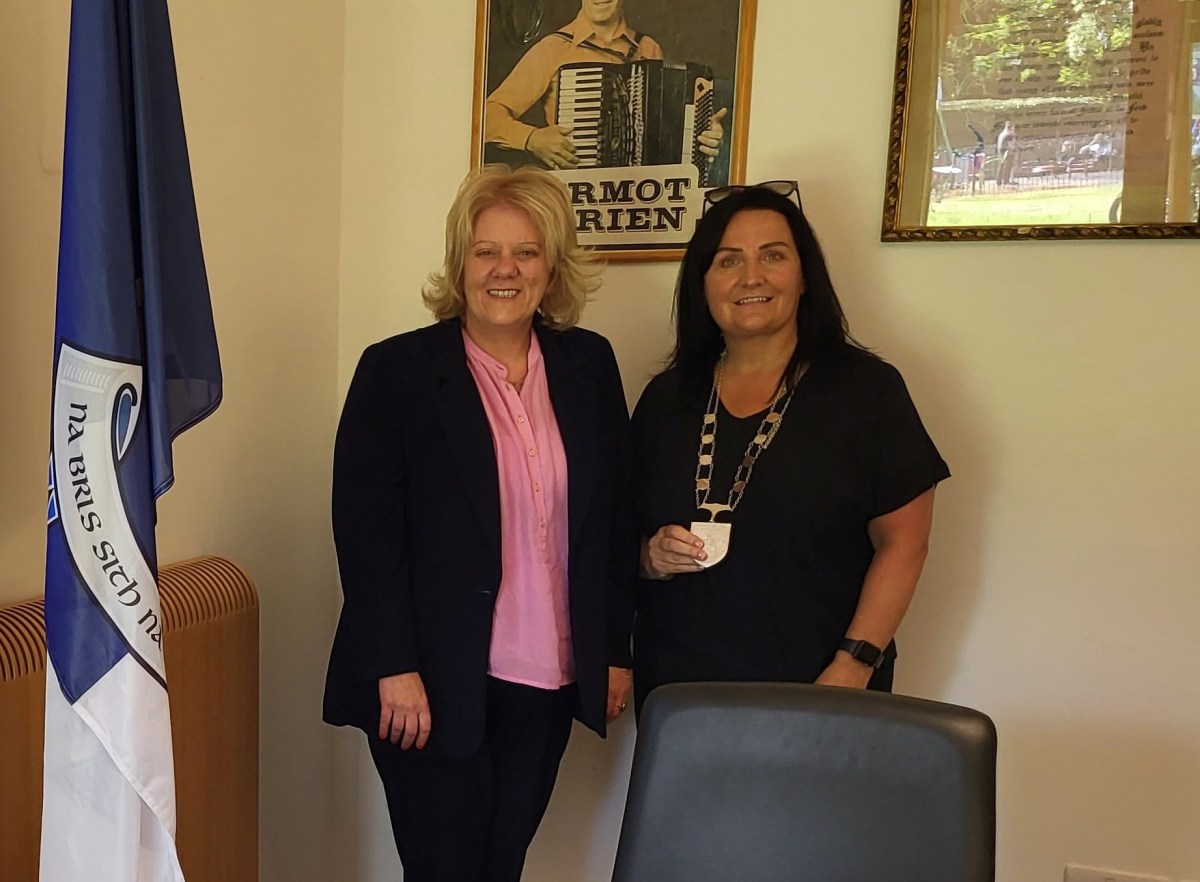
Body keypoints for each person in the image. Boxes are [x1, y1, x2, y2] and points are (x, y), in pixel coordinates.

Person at [323, 165, 636, 882]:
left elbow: (614, 521)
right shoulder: (397, 371)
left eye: (526, 252)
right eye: (485, 251)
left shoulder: (588, 365)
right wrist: (394, 666)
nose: (505, 270)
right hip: (429, 682)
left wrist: (613, 649)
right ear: (459, 262)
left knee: (500, 866)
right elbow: (365, 533)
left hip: (550, 675)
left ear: (552, 267)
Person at [630, 181, 949, 711]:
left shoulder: (865, 391)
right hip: (679, 695)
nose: (751, 276)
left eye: (773, 256)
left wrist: (854, 663)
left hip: (821, 688)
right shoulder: (666, 398)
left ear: (804, 277)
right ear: (702, 284)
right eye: (728, 260)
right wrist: (651, 556)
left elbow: (905, 542)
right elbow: (620, 538)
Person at [484, 0, 727, 171]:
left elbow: (664, 133)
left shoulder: (648, 48)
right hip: (579, 194)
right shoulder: (553, 49)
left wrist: (701, 134)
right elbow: (485, 118)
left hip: (639, 198)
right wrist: (532, 138)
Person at [997, 120, 1018, 186]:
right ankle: (1006, 181)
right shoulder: (1009, 134)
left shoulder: (1002, 134)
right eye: (1012, 128)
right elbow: (1007, 144)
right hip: (1007, 152)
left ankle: (999, 181)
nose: (1013, 129)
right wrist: (1010, 149)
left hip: (1001, 152)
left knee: (1001, 167)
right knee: (1007, 167)